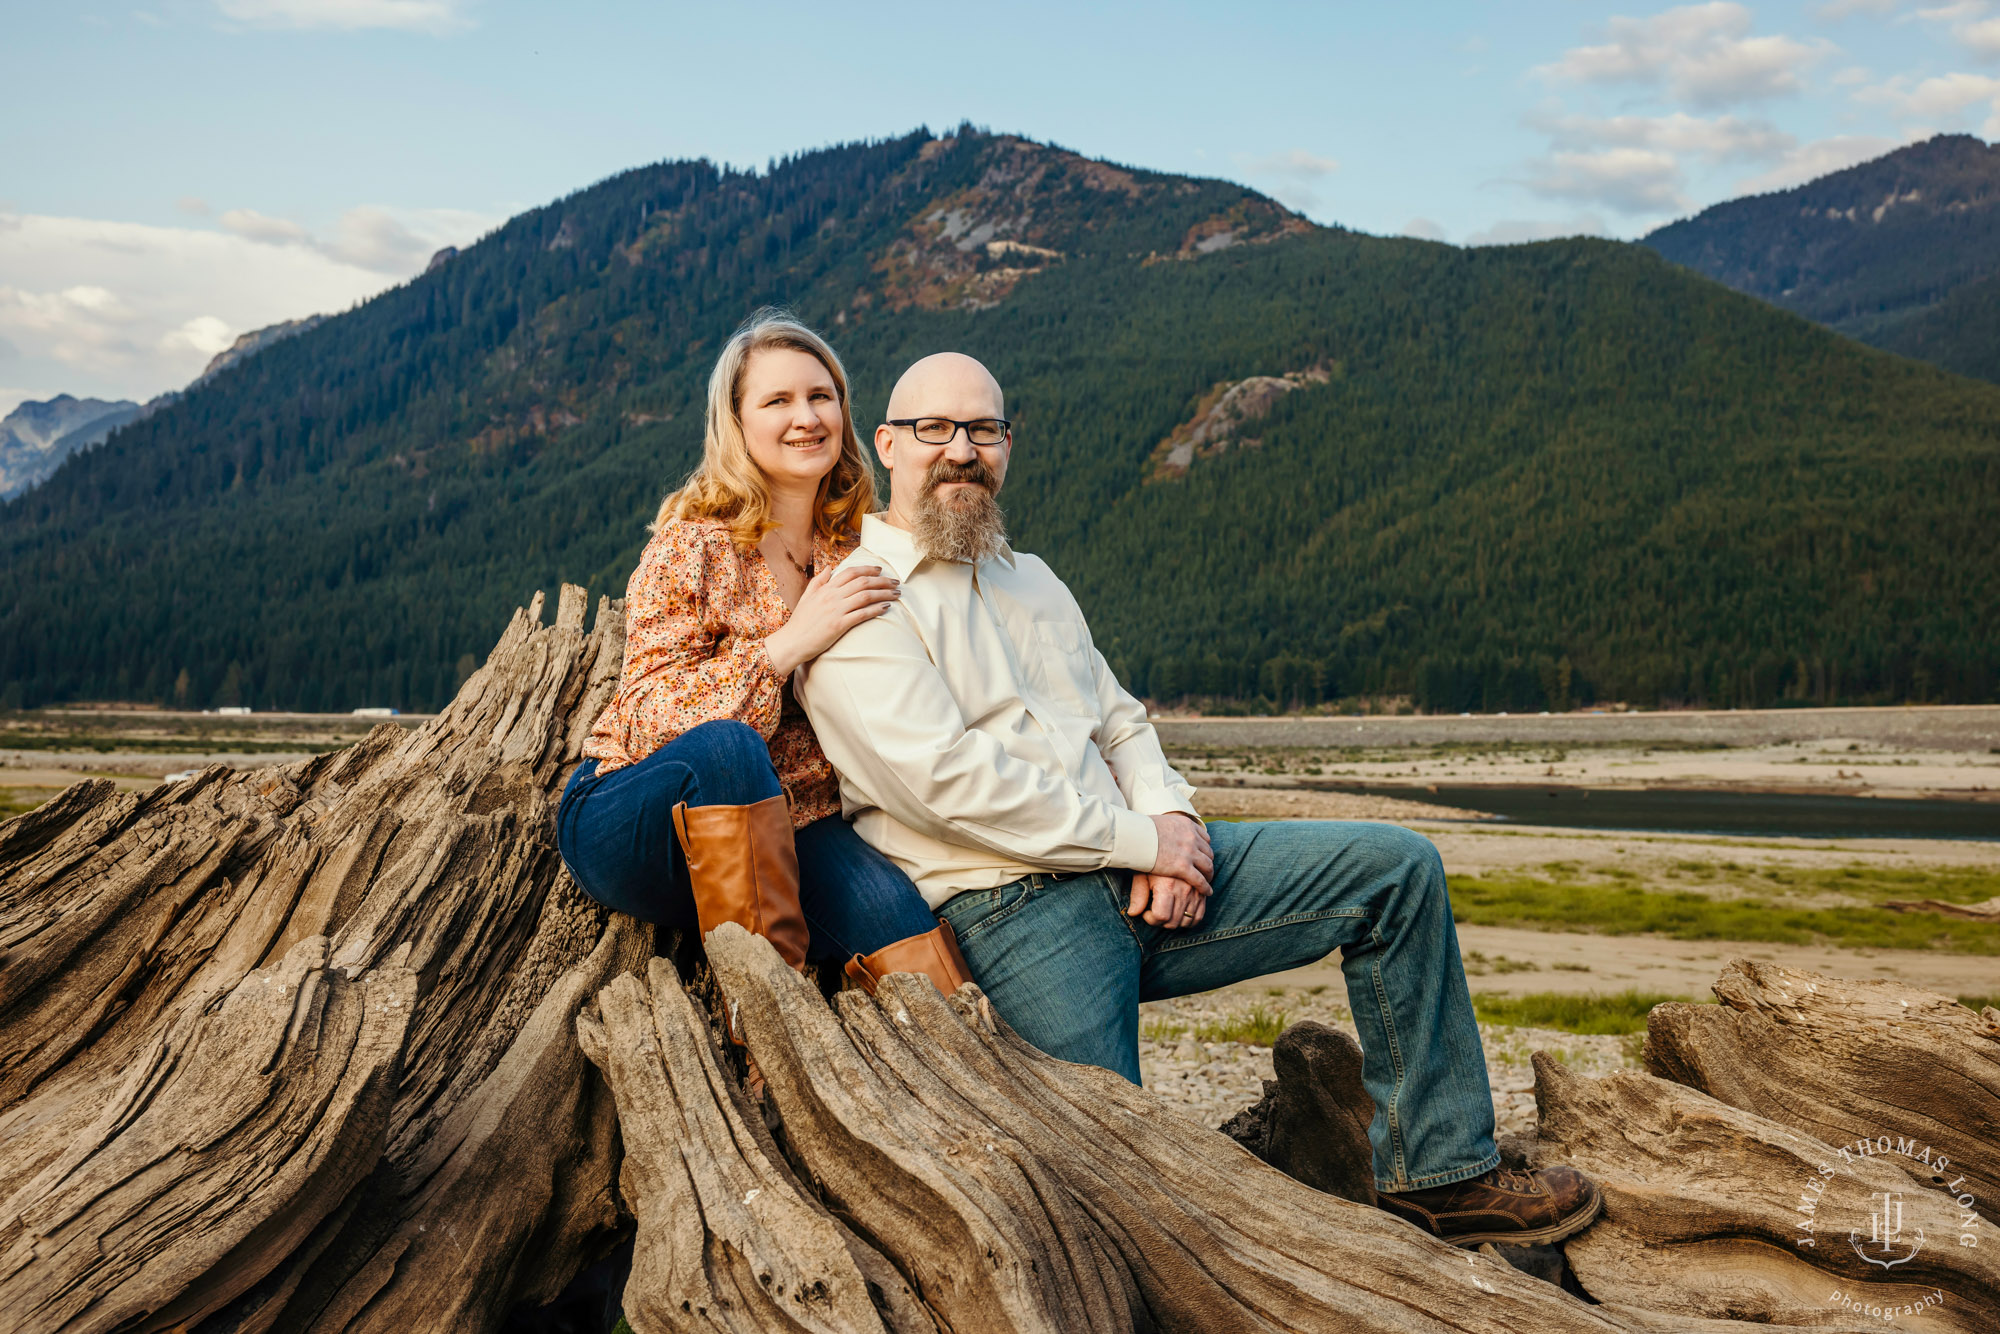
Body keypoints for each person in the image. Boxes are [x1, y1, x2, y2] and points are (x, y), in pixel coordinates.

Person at [794, 351, 1601, 1248]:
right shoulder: (858, 594)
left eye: (983, 430)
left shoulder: (1035, 579)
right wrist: (1142, 842)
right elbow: (947, 786)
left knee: (1398, 870)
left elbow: (1120, 722)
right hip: (1010, 909)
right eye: (935, 430)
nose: (961, 451)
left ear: (1007, 446)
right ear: (888, 446)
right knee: (1120, 1190)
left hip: (1135, 864)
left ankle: (1443, 1175)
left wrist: (1173, 819)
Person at [558, 312, 973, 1024]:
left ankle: (985, 1095)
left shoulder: (856, 553)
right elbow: (649, 713)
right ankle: (772, 1037)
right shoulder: (693, 545)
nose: (806, 417)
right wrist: (787, 645)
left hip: (799, 824)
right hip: (638, 816)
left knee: (914, 950)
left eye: (821, 396)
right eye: (777, 401)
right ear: (736, 422)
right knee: (727, 749)